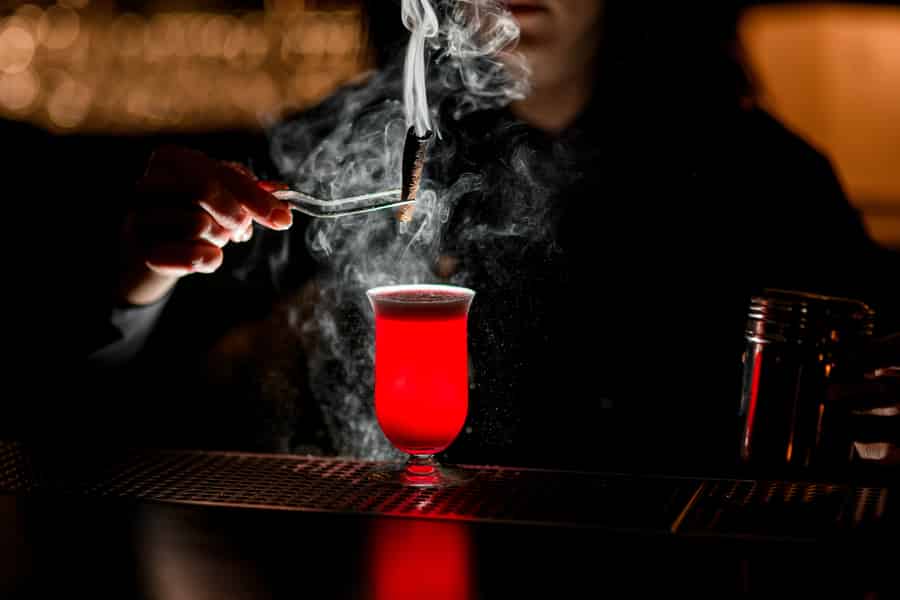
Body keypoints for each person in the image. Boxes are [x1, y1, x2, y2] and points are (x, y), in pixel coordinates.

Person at [60, 0, 897, 473]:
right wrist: (141, 274)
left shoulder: (762, 177)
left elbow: (872, 402)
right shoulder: (343, 150)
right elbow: (98, 408)